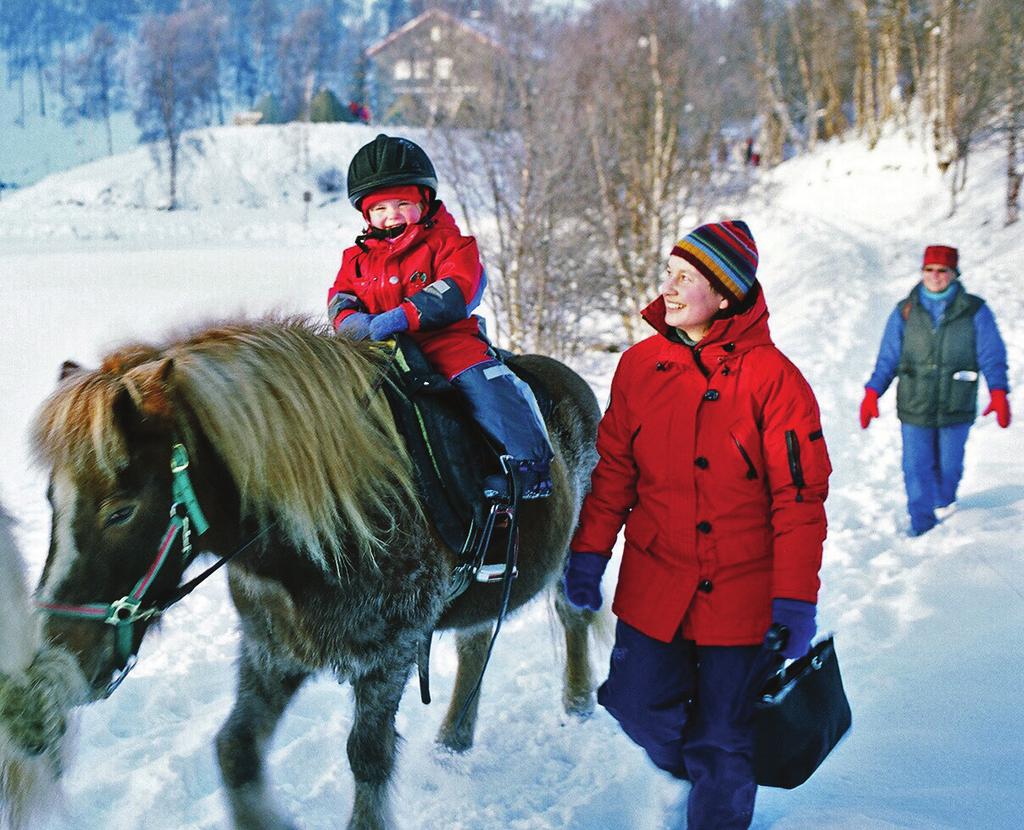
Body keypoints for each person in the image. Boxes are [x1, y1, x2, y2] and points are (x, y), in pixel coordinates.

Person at [563, 220, 831, 830]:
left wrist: (794, 600)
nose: (670, 288)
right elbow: (614, 474)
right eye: (669, 273)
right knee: (635, 704)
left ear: (727, 294)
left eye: (686, 277)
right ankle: (699, 768)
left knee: (725, 738)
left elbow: (800, 498)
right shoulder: (639, 366)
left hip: (744, 593)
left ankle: (719, 787)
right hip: (657, 582)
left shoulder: (776, 380)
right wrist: (589, 554)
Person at [327, 134, 553, 499]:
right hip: (379, 348)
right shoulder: (355, 257)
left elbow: (459, 287)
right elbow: (340, 295)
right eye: (380, 209)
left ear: (425, 202)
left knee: (485, 383)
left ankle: (528, 465)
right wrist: (350, 320)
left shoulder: (450, 243)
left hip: (446, 341)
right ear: (366, 215)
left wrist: (404, 315)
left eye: (403, 204)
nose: (392, 215)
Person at [860, 244, 1010, 536]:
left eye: (943, 270)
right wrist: (872, 392)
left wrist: (999, 392)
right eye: (930, 269)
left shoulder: (975, 310)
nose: (936, 276)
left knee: (950, 468)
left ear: (954, 273)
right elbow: (888, 357)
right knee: (916, 469)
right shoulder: (905, 310)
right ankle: (922, 523)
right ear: (922, 271)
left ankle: (944, 501)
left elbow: (992, 354)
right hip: (915, 403)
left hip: (957, 403)